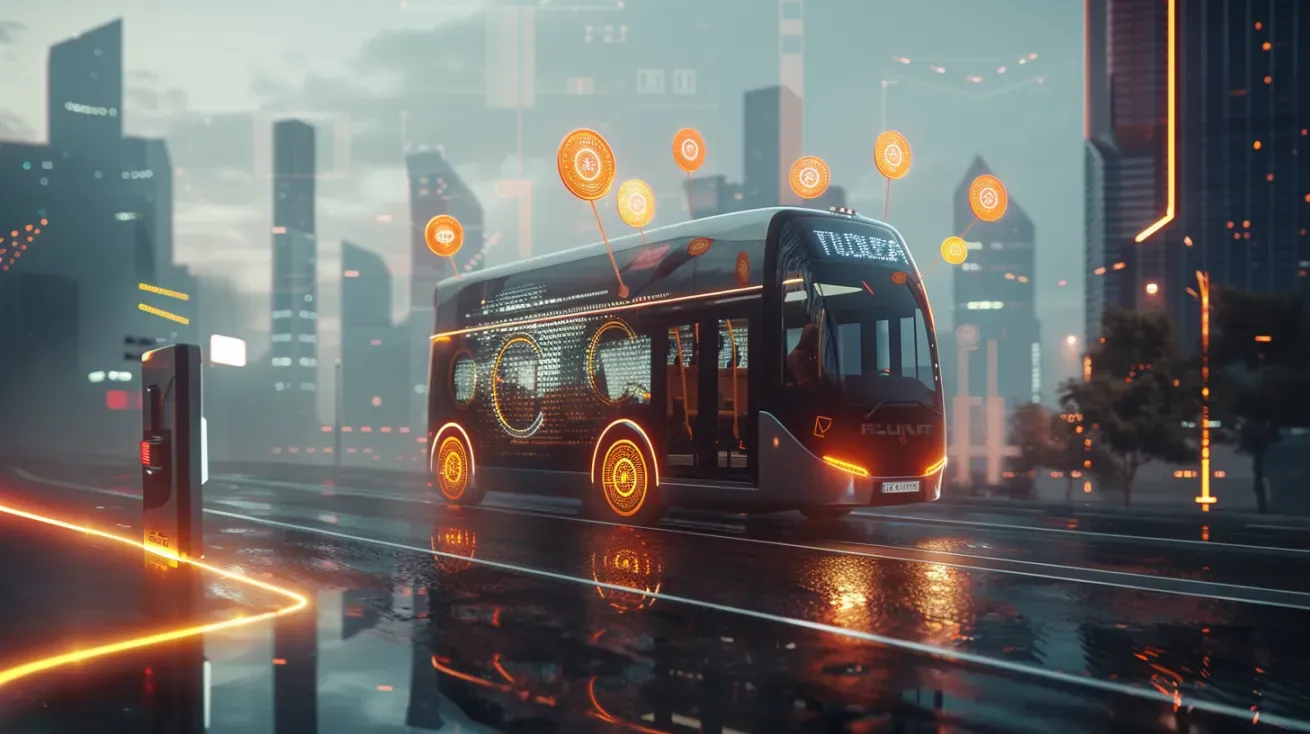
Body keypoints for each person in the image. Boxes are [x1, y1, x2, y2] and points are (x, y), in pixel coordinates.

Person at [787, 323, 820, 387]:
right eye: (814, 339)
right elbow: (804, 382)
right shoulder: (797, 356)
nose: (816, 342)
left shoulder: (809, 355)